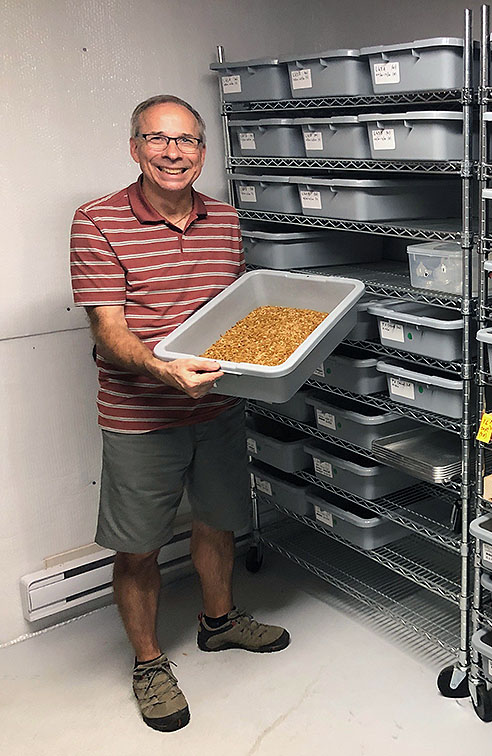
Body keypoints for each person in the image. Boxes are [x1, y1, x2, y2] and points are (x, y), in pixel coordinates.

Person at [69, 94, 289, 732]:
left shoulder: (224, 220)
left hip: (217, 405)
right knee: (138, 547)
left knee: (219, 520)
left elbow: (241, 310)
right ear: (134, 147)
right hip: (141, 414)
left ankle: (218, 623)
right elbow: (107, 329)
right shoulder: (98, 221)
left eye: (188, 140)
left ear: (202, 150)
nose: (174, 152)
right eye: (158, 139)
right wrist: (164, 369)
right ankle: (148, 662)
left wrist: (281, 354)